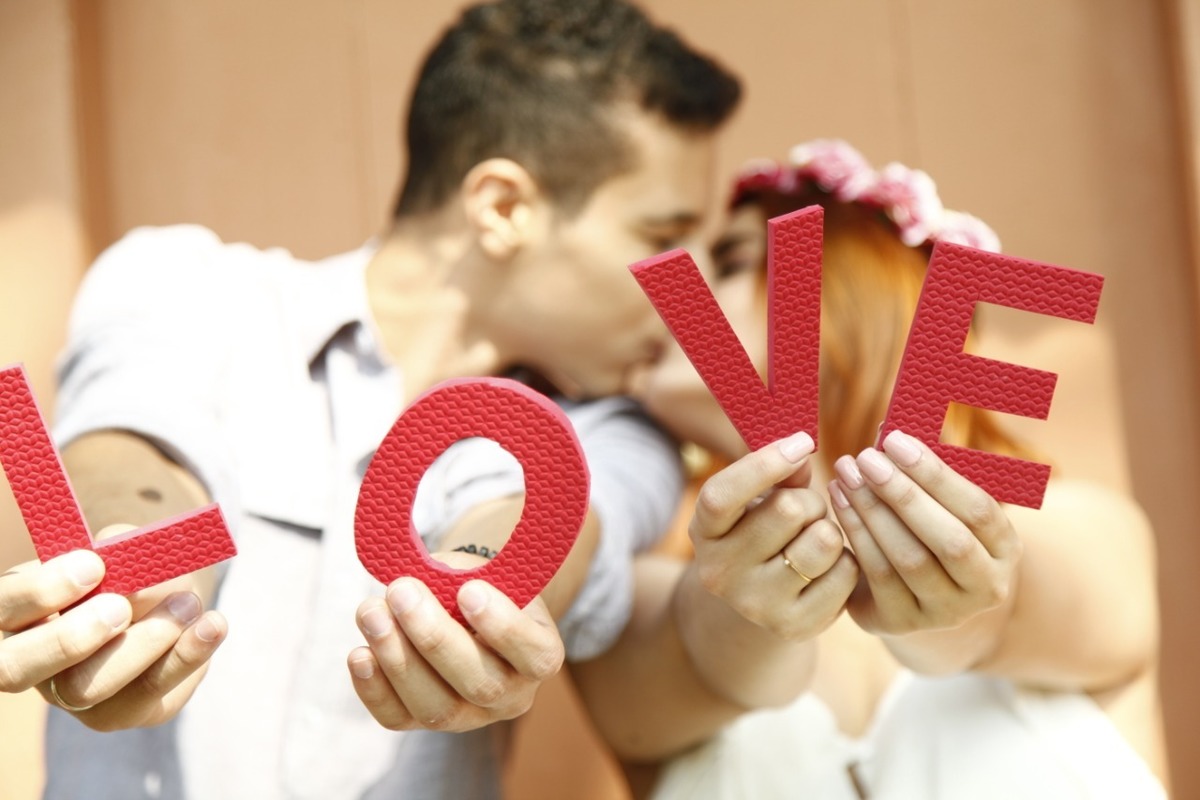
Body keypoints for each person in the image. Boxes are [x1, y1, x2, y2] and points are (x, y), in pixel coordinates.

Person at [0, 2, 741, 798]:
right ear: (504, 208)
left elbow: (546, 518)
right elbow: (138, 442)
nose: (686, 284)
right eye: (660, 238)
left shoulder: (614, 427)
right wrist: (132, 573)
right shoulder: (189, 286)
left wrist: (472, 596)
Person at [572, 139, 1169, 798]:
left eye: (733, 260)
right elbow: (688, 661)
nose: (678, 287)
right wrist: (749, 609)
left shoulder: (1088, 528)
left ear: (849, 289)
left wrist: (961, 600)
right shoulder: (625, 590)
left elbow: (1034, 593)